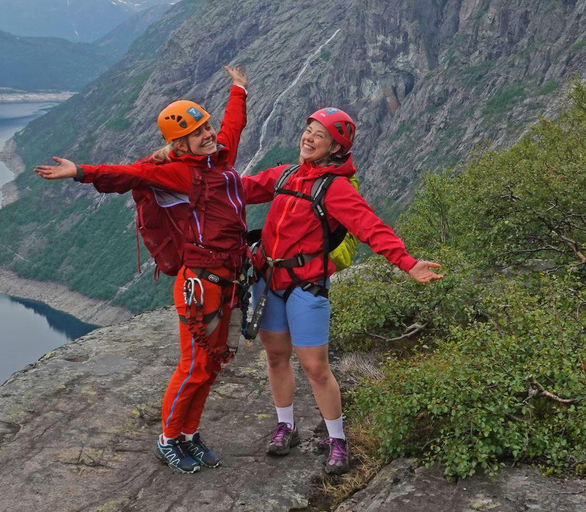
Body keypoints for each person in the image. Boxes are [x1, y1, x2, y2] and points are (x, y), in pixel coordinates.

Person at [34, 66, 249, 474]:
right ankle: (168, 439)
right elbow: (127, 174)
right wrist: (80, 172)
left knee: (214, 361)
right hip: (200, 283)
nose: (210, 134)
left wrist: (238, 90)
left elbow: (233, 129)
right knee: (195, 364)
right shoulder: (171, 172)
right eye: (200, 131)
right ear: (178, 142)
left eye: (207, 126)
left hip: (228, 279)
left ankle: (189, 434)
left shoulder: (219, 158)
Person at [241, 107, 442, 474]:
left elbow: (370, 227)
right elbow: (237, 190)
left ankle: (337, 439)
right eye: (309, 130)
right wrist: (185, 180)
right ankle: (286, 425)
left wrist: (408, 263)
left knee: (315, 366)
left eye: (320, 135)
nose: (309, 138)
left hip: (306, 285)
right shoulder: (285, 174)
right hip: (268, 279)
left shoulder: (335, 188)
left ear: (336, 148)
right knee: (275, 356)